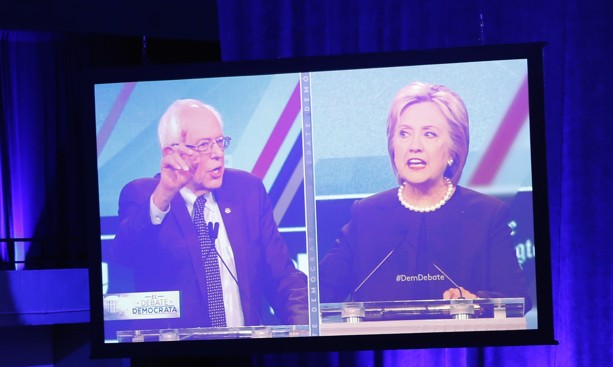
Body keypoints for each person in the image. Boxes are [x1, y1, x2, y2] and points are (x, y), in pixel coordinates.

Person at [319, 82, 530, 307]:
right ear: (393, 145)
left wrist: (475, 302)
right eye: (404, 133)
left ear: (453, 149)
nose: (414, 146)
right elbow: (320, 294)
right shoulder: (367, 214)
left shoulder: (486, 214)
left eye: (429, 134)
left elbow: (517, 300)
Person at [110, 99, 309, 329]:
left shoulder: (247, 190)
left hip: (246, 346)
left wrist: (305, 329)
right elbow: (124, 256)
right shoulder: (145, 196)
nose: (217, 154)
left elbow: (282, 276)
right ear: (171, 153)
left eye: (220, 142)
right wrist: (164, 193)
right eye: (204, 145)